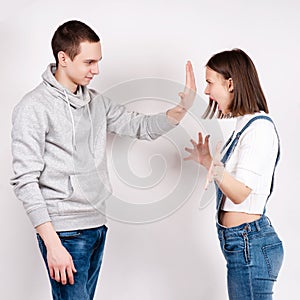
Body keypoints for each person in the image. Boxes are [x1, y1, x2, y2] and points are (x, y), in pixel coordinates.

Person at [10, 20, 196, 300]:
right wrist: (53, 243)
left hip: (96, 227)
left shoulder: (97, 103)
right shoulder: (33, 107)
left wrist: (182, 109)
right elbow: (25, 180)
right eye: (89, 62)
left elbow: (139, 127)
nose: (96, 70)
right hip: (65, 233)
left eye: (98, 61)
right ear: (63, 58)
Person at [184, 48, 283, 299]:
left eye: (209, 82)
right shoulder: (245, 126)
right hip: (243, 243)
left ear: (230, 83)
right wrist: (208, 161)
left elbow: (240, 193)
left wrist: (215, 168)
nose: (206, 91)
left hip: (250, 244)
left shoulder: (259, 129)